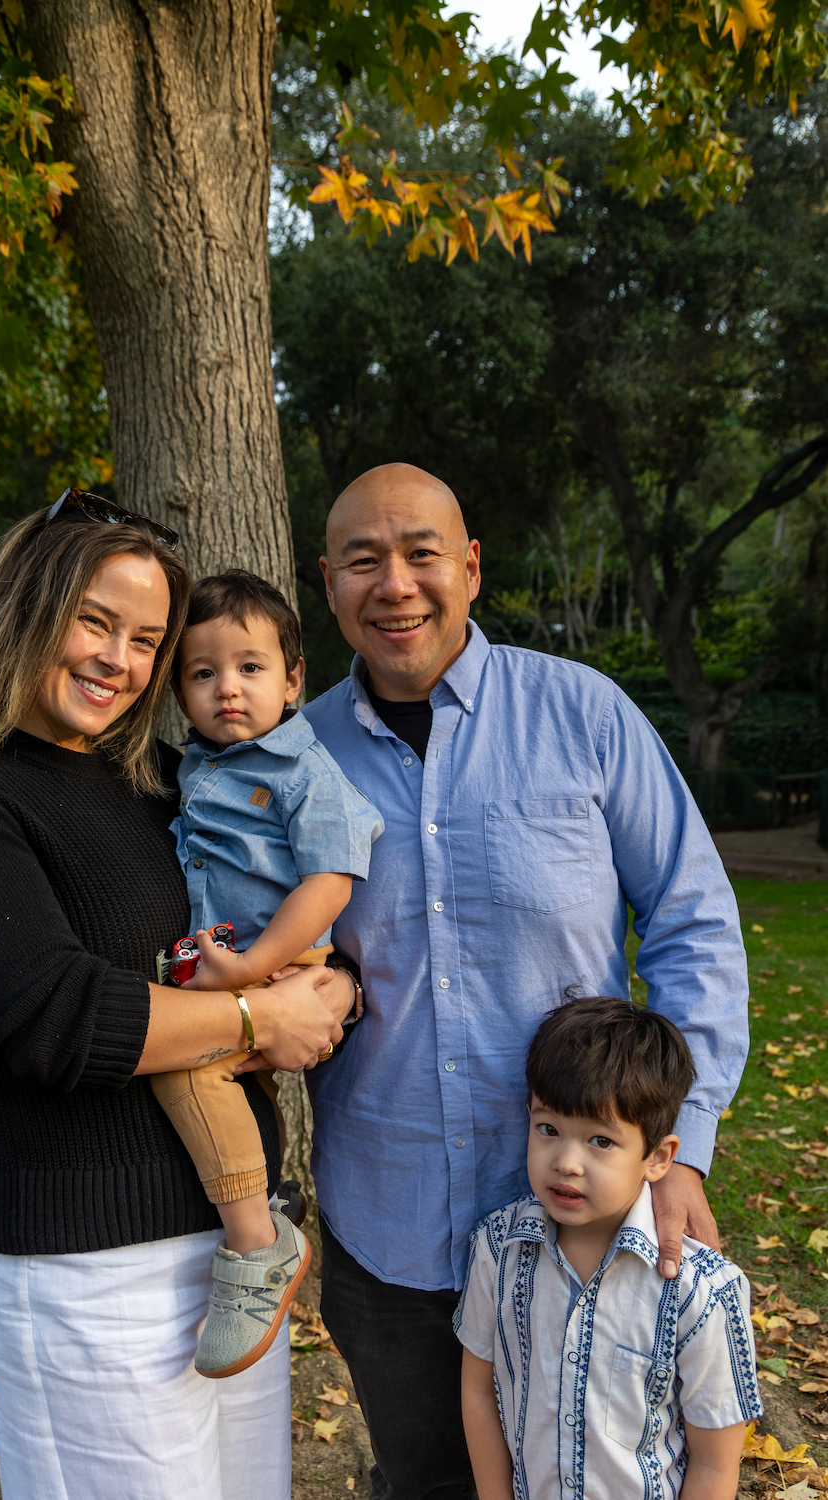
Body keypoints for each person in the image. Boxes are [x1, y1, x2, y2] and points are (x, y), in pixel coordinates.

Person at [0, 490, 358, 1500]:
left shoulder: (157, 789)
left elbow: (246, 919)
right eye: (94, 621)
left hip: (238, 1255)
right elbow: (49, 1017)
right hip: (88, 1276)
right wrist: (252, 1017)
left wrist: (330, 989)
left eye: (146, 639)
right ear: (25, 607)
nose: (119, 658)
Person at [303, 463, 750, 1500]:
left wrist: (686, 1151)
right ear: (329, 584)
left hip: (585, 1213)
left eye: (420, 554)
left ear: (468, 567)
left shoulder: (584, 714)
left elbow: (690, 917)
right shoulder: (296, 754)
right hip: (390, 1224)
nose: (395, 584)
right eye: (363, 561)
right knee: (424, 1480)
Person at [151, 569, 383, 1378]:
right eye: (202, 672)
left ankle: (259, 1242)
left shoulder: (302, 769)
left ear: (292, 680)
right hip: (226, 963)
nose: (227, 690)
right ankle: (258, 1217)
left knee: (186, 1071)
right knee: (194, 1062)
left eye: (250, 669)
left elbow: (330, 879)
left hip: (278, 961)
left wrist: (255, 965)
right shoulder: (196, 763)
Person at [457, 995, 761, 1500]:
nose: (567, 1162)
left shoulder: (702, 1293)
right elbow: (477, 1390)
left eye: (600, 1141)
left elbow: (714, 1463)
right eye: (548, 1129)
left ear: (658, 1157)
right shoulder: (498, 1247)